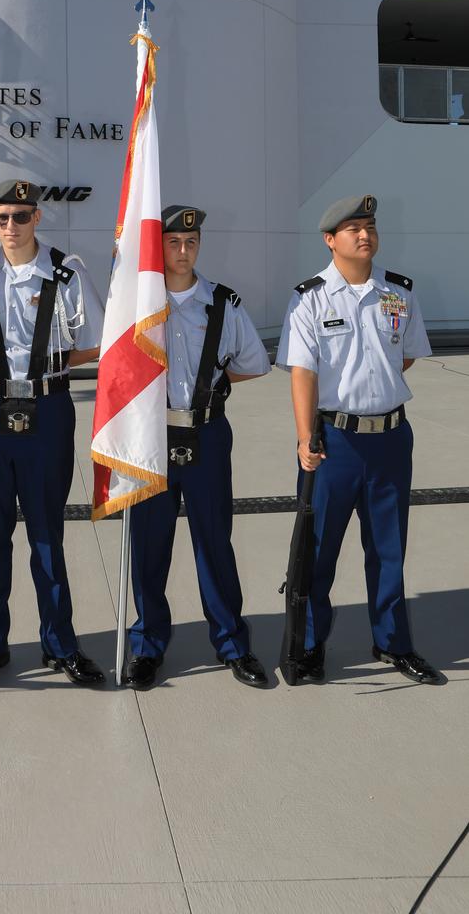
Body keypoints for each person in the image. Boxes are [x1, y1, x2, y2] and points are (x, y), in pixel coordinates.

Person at [275, 195, 440, 684]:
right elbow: (302, 374)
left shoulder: (400, 293)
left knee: (389, 549)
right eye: (352, 229)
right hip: (336, 444)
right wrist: (307, 438)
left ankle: (393, 643)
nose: (364, 235)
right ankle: (306, 648)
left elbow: (404, 357)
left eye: (369, 226)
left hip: (391, 438)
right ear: (330, 240)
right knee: (318, 551)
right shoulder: (309, 298)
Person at [0, 180, 107, 691]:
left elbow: (92, 342)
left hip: (47, 410)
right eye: (0, 218)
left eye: (19, 217)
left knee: (47, 531)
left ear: (37, 218)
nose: (9, 227)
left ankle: (60, 643)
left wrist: (42, 368)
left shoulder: (67, 271)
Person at [125, 205, 271, 690]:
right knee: (149, 545)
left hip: (206, 434)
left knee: (214, 541)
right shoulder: (138, 304)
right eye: (173, 242)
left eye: (191, 242)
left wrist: (210, 390)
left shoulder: (223, 303)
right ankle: (147, 645)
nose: (183, 251)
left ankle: (232, 642)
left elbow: (254, 362)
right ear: (158, 246)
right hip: (152, 436)